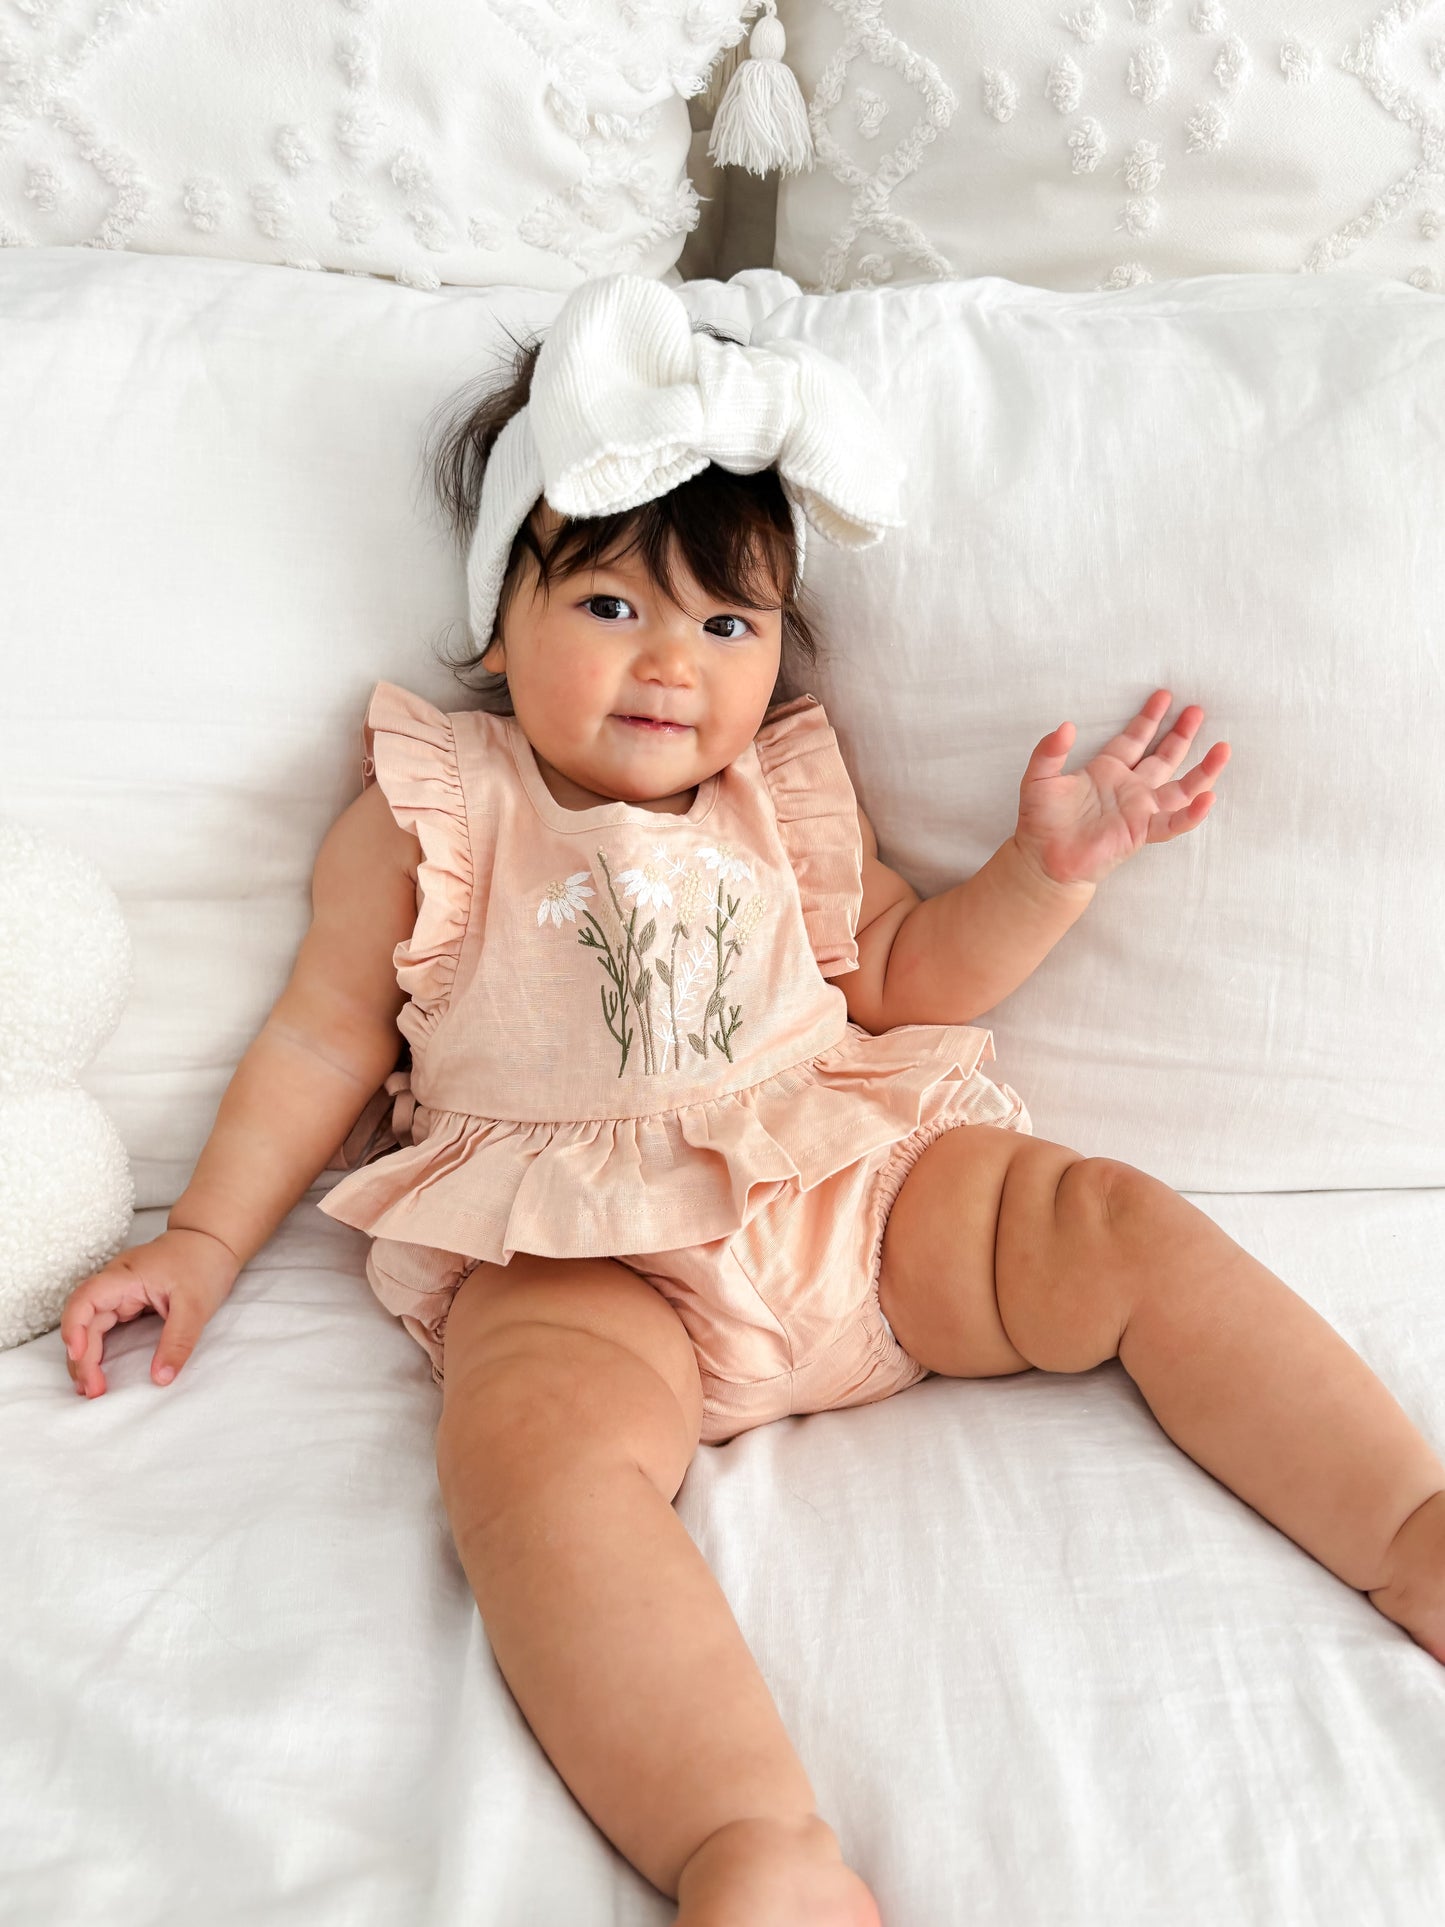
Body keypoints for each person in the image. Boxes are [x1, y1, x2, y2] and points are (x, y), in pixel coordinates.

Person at [59, 274, 1445, 1926]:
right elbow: (316, 1044)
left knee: (1105, 1218)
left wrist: (1044, 873)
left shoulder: (781, 787)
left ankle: (1406, 1526)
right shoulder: (435, 806)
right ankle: (747, 1848)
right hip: (583, 1263)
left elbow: (900, 973)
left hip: (846, 1199)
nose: (673, 664)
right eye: (609, 607)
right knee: (527, 1473)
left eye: (727, 624)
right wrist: (207, 1242)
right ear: (500, 612)